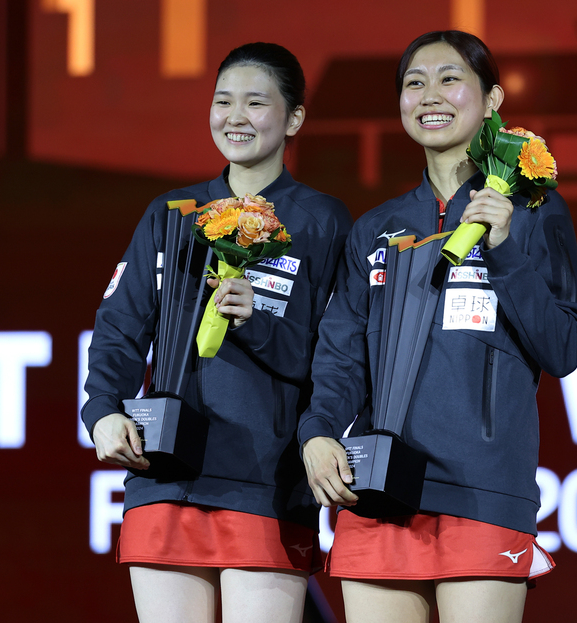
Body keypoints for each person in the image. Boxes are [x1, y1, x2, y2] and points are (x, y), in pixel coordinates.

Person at [298, 30, 577, 623]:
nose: (430, 94)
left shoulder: (536, 212)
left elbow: (563, 347)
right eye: (413, 82)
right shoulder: (376, 228)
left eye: (450, 78)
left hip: (482, 491)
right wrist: (318, 430)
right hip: (377, 487)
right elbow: (341, 355)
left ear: (493, 99)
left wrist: (503, 248)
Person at [81, 42, 352, 623]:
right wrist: (103, 409)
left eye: (256, 103)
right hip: (165, 474)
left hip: (264, 480)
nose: (235, 116)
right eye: (223, 101)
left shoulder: (323, 221)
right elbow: (120, 326)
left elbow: (336, 353)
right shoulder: (171, 212)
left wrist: (260, 323)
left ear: (294, 118)